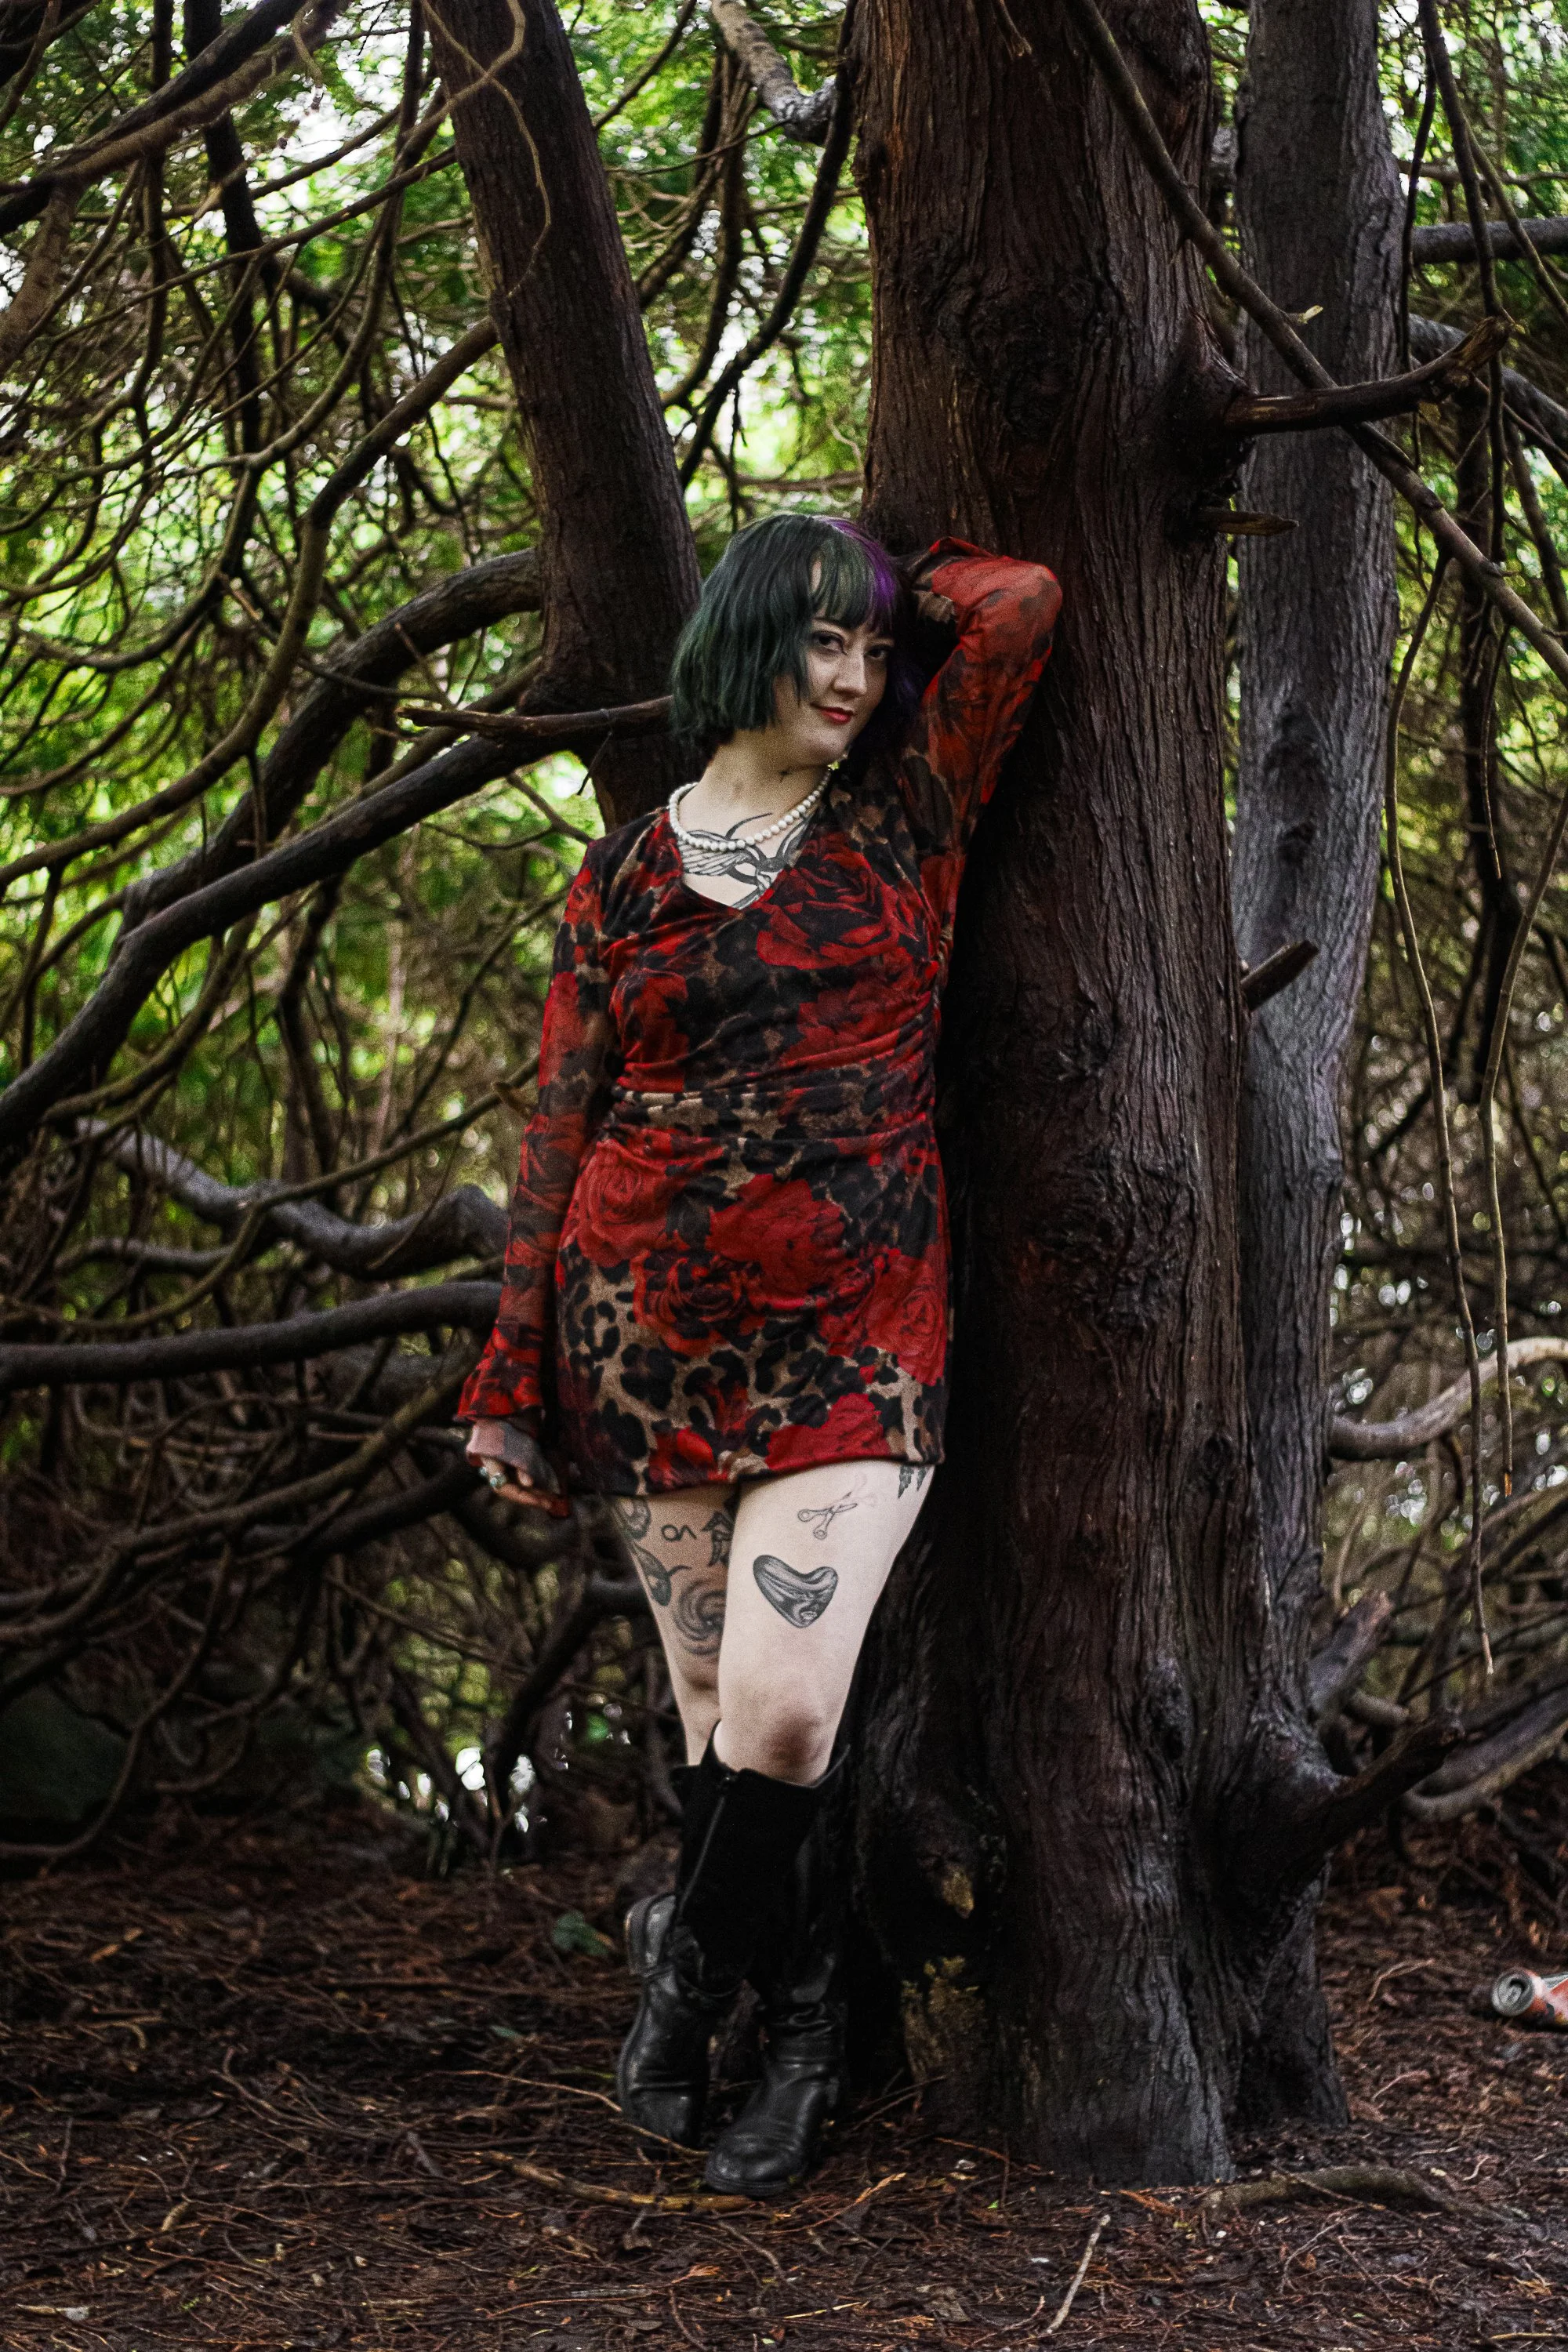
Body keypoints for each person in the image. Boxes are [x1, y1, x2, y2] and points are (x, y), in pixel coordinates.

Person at [460, 514, 1061, 2197]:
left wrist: (868, 572)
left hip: (858, 1339)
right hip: (640, 1335)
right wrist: (511, 1377)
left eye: (873, 650)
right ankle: (794, 2032)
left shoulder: (900, 820)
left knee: (788, 1720)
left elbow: (1018, 608)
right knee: (718, 1709)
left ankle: (685, 1991)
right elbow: (557, 1121)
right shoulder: (626, 875)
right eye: (820, 644)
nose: (860, 677)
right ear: (740, 644)